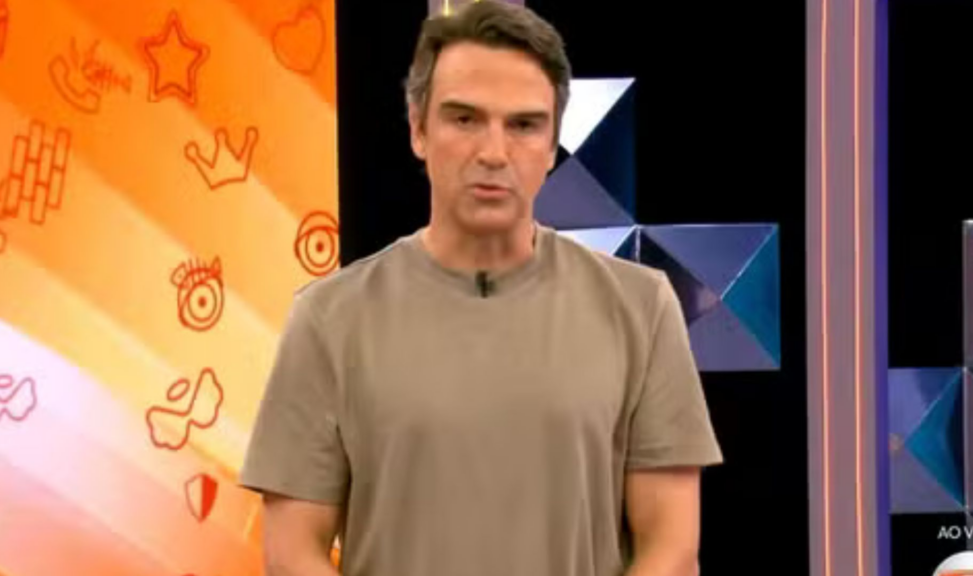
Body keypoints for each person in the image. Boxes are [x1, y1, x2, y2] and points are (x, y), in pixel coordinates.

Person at [240, 2, 722, 575]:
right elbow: (293, 552)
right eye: (465, 119)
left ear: (552, 146)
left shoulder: (642, 308)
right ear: (418, 129)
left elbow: (671, 548)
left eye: (523, 125)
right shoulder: (329, 318)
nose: (493, 153)